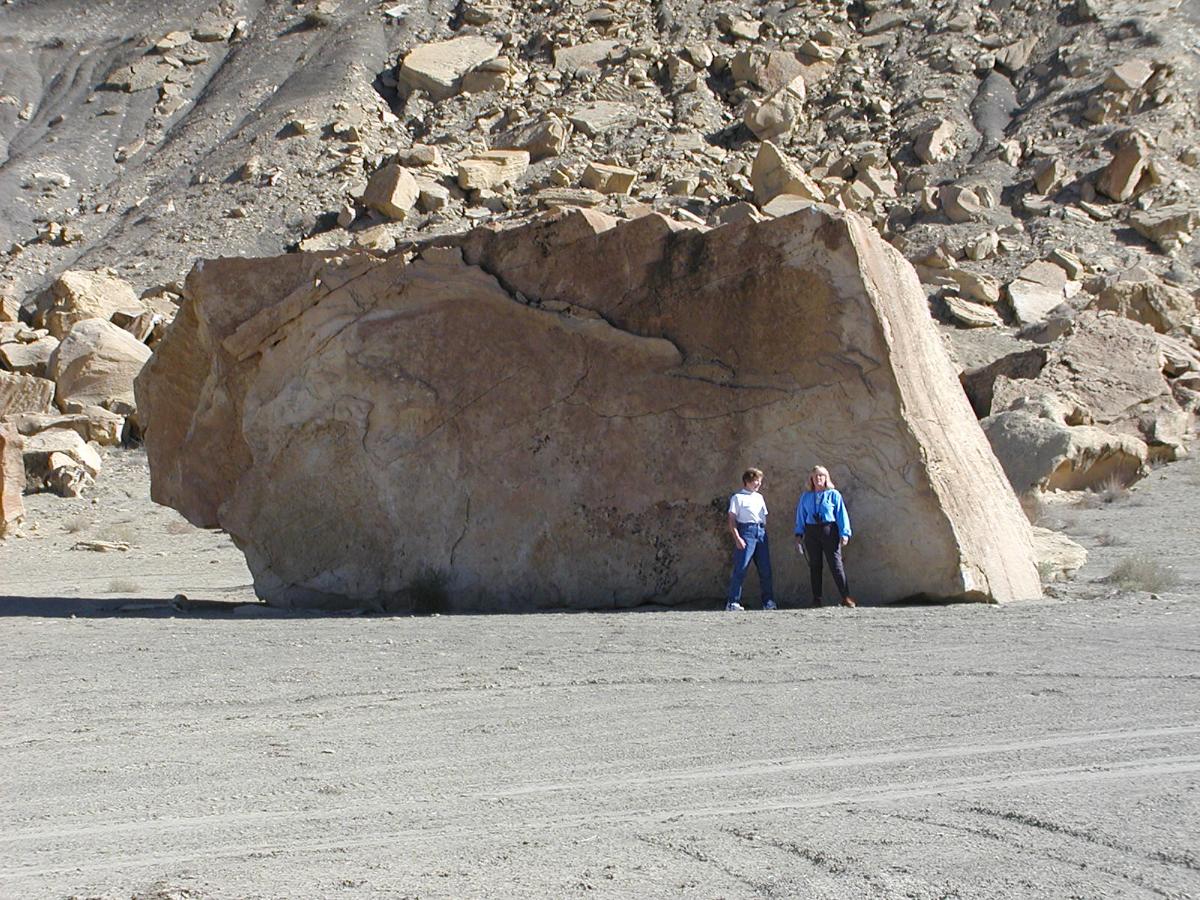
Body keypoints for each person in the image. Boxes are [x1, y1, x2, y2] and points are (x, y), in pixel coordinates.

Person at [794, 465, 855, 608]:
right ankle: (817, 599)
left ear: (826, 478)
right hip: (811, 532)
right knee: (815, 565)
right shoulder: (806, 496)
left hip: (829, 531)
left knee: (836, 564)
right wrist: (798, 534)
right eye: (815, 476)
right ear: (811, 479)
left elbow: (841, 514)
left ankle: (846, 597)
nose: (818, 478)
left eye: (821, 475)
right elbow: (801, 516)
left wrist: (845, 533)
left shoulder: (834, 494)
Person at [725, 467, 776, 611]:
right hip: (746, 532)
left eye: (760, 481)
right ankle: (732, 602)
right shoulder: (738, 498)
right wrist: (737, 538)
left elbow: (763, 516)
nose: (759, 484)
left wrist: (762, 532)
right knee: (741, 567)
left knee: (765, 569)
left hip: (761, 532)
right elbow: (732, 519)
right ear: (747, 481)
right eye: (756, 481)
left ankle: (768, 602)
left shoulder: (759, 497)